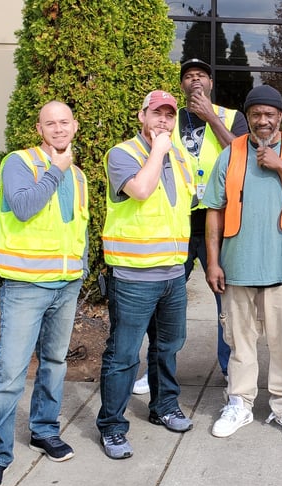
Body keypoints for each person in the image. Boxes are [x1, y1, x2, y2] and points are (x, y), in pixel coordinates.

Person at [0, 101, 88, 486]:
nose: (58, 129)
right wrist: (55, 172)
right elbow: (23, 208)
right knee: (10, 373)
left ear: (75, 126)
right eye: (50, 123)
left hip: (66, 285)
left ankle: (44, 431)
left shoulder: (78, 175)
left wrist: (82, 269)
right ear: (39, 129)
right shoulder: (19, 163)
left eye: (64, 122)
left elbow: (77, 227)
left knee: (55, 363)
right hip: (25, 287)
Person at [203, 85, 282, 440]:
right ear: (249, 118)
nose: (263, 120)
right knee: (240, 342)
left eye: (270, 114)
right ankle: (239, 402)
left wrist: (280, 166)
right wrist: (213, 262)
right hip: (238, 267)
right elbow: (214, 211)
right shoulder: (231, 153)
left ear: (281, 118)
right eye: (256, 114)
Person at [132, 59, 247, 395]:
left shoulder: (230, 116)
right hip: (178, 224)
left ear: (210, 82)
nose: (194, 80)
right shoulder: (169, 118)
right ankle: (154, 370)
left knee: (227, 305)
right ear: (182, 85)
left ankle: (230, 371)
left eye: (201, 75)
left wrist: (210, 116)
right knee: (164, 302)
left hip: (220, 224)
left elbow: (241, 156)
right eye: (188, 76)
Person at [97, 90, 193, 460]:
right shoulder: (123, 154)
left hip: (172, 274)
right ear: (142, 116)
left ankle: (164, 407)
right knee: (123, 355)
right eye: (157, 114)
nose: (163, 122)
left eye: (170, 116)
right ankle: (112, 427)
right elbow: (139, 190)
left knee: (168, 348)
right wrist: (158, 150)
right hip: (134, 275)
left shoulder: (180, 156)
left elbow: (190, 202)